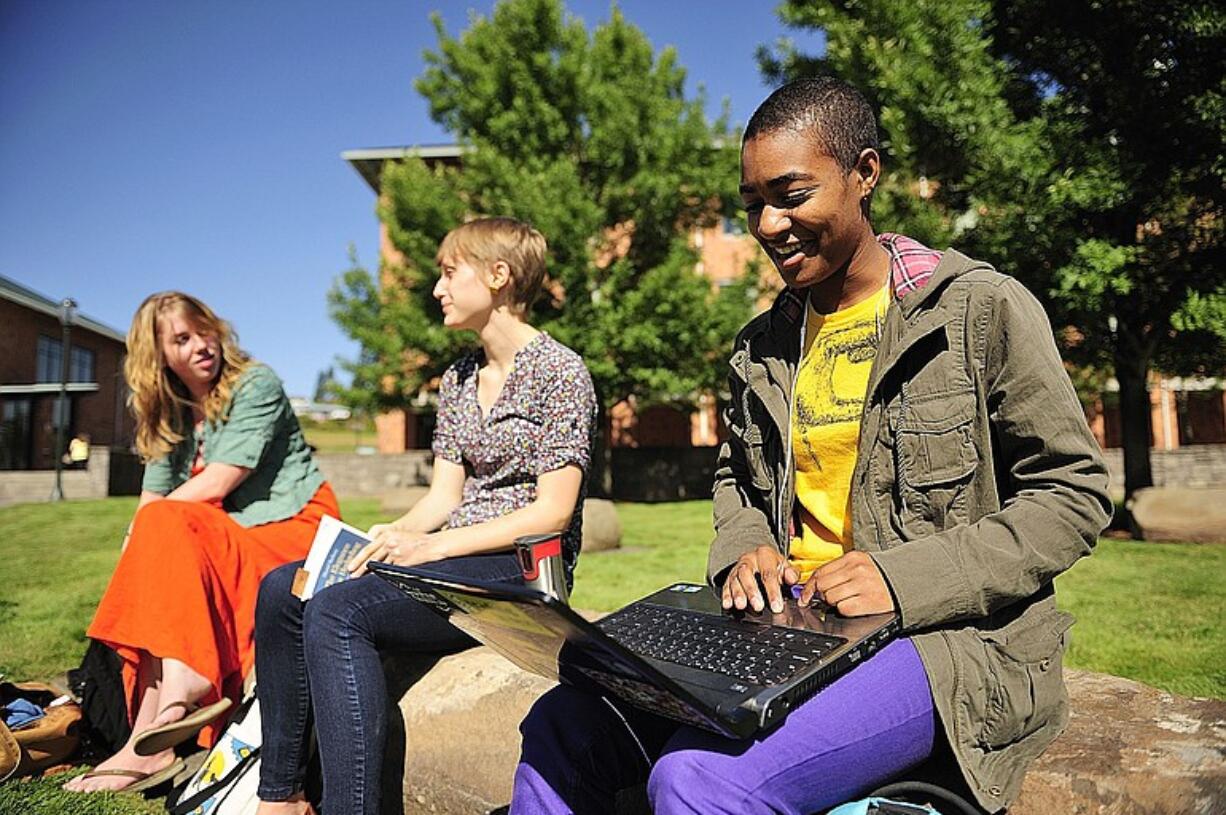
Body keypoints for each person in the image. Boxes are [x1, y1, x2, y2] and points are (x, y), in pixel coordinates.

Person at [511, 78, 1112, 815]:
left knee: (696, 779)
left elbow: (1074, 493)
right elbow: (737, 476)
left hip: (941, 641)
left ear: (865, 174)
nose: (768, 223)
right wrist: (745, 550)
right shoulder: (762, 345)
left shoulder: (978, 308)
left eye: (792, 194)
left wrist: (903, 580)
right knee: (562, 723)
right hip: (785, 629)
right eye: (751, 203)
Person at [254, 217, 597, 815]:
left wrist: (433, 548)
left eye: (447, 272)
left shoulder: (561, 373)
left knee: (338, 612)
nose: (436, 289)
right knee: (285, 587)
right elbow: (442, 496)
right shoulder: (458, 380)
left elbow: (553, 510)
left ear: (498, 276)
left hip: (520, 568)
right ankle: (281, 796)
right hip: (457, 554)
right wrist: (392, 535)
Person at [65, 292, 339, 794]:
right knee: (158, 544)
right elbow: (152, 502)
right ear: (159, 354)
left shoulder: (255, 383)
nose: (200, 346)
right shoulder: (169, 411)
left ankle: (168, 709)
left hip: (290, 525)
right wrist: (139, 558)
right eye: (182, 339)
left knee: (168, 526)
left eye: (203, 331)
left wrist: (148, 533)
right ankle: (152, 733)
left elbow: (217, 482)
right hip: (224, 531)